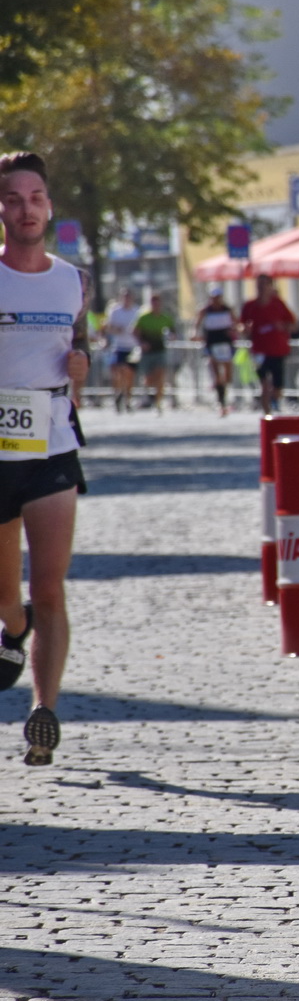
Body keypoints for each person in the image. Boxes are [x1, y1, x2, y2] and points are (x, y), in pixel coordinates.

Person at [0, 152, 92, 765]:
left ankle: (44, 709)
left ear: (49, 207)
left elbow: (76, 355)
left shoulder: (73, 280)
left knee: (51, 586)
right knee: (7, 592)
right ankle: (13, 627)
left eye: (36, 197)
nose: (26, 208)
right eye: (13, 198)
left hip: (52, 445)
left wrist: (80, 373)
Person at [239, 276, 295, 412]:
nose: (261, 288)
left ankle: (274, 400)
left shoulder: (278, 304)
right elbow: (241, 325)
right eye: (259, 284)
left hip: (277, 349)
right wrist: (244, 329)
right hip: (259, 351)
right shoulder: (250, 306)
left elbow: (293, 324)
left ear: (271, 286)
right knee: (264, 383)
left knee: (277, 387)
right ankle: (267, 414)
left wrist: (282, 326)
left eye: (264, 284)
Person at [132, 292, 176, 414]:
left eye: (158, 302)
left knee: (160, 375)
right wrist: (141, 343)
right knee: (148, 378)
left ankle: (158, 402)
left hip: (160, 350)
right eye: (153, 302)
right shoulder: (144, 317)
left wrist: (172, 336)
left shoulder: (165, 317)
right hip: (147, 352)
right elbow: (135, 332)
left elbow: (173, 330)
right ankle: (150, 395)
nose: (156, 305)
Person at [198, 287, 238, 414]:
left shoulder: (227, 309)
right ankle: (221, 400)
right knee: (217, 373)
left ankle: (225, 392)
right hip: (212, 343)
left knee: (228, 374)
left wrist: (236, 330)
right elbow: (196, 325)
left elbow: (236, 323)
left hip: (226, 343)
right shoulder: (205, 310)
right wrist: (195, 335)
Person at [102, 288, 140, 412]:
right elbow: (108, 327)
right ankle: (118, 393)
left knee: (130, 373)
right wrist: (116, 330)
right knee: (118, 371)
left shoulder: (137, 311)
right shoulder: (115, 311)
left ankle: (128, 398)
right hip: (119, 346)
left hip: (133, 347)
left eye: (128, 297)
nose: (126, 299)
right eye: (124, 297)